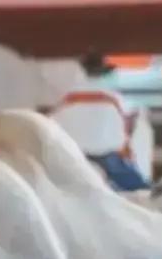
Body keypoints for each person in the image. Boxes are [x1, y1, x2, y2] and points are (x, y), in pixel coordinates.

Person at [48, 50, 151, 192]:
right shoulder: (117, 99)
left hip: (73, 160)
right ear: (106, 73)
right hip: (109, 161)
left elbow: (52, 129)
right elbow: (130, 125)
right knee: (143, 192)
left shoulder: (66, 99)